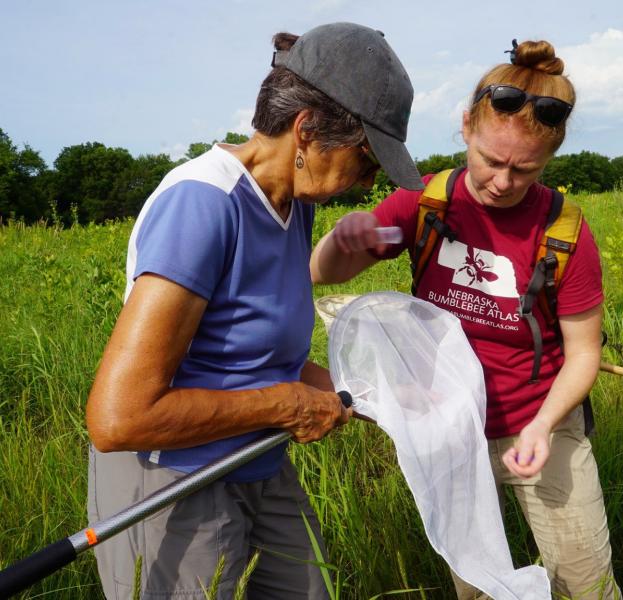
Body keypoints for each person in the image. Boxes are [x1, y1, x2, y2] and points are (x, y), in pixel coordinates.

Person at [86, 22, 423, 600]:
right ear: (307, 131)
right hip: (174, 477)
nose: (369, 183)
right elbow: (119, 418)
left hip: (256, 459)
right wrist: (286, 404)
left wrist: (386, 398)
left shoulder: (295, 204)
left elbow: (265, 359)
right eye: (366, 160)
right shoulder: (203, 206)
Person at [311, 39, 621, 599]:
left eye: (524, 171)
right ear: (465, 128)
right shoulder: (425, 203)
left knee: (584, 581)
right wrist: (344, 236)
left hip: (538, 422)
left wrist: (543, 426)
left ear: (548, 161)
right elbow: (326, 271)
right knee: (475, 580)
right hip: (448, 426)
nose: (502, 182)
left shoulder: (566, 232)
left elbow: (583, 354)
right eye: (491, 161)